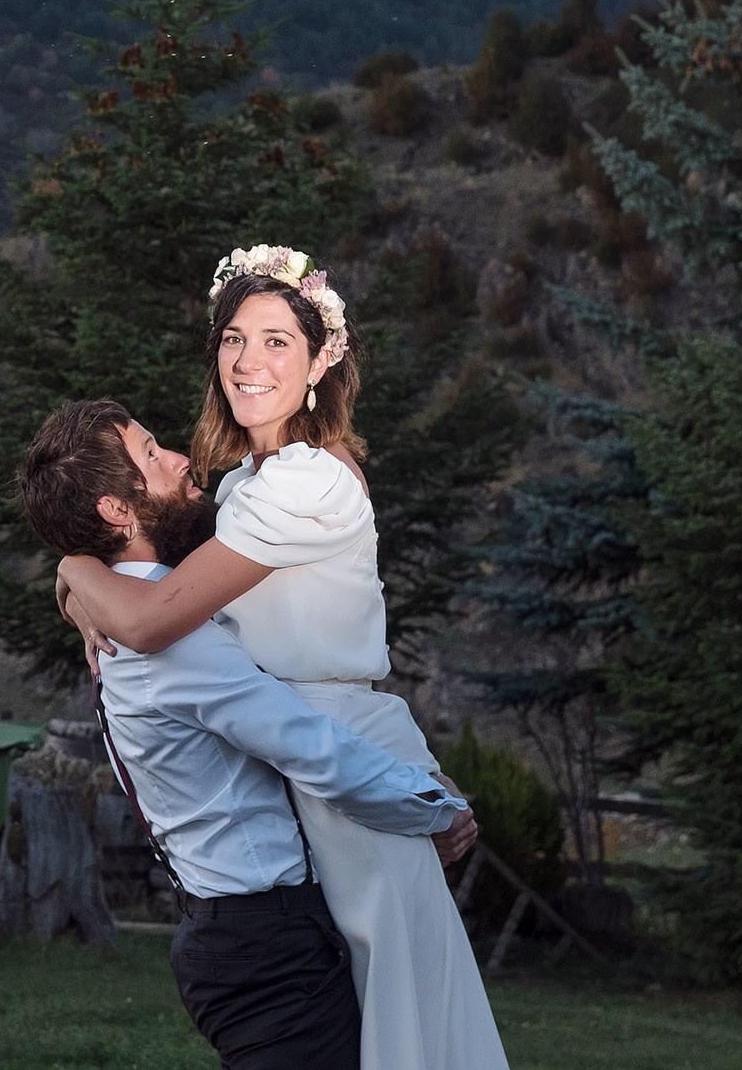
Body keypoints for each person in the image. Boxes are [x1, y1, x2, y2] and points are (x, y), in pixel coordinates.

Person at [55, 245, 511, 1070]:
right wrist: (79, 577)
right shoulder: (241, 487)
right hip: (301, 766)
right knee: (355, 1023)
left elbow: (154, 615)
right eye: (234, 337)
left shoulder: (309, 481)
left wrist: (71, 568)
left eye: (275, 340)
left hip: (338, 755)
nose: (247, 360)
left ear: (320, 359)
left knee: (400, 1019)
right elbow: (152, 578)